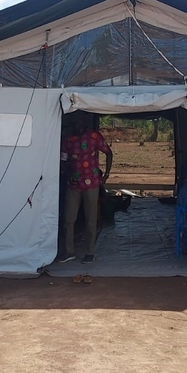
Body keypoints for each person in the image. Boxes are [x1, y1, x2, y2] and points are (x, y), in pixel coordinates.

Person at [58, 114, 112, 265]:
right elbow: (63, 161)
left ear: (86, 123)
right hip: (73, 184)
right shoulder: (68, 140)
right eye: (76, 123)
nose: (78, 126)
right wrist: (68, 174)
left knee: (90, 220)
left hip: (91, 184)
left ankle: (89, 252)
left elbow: (108, 153)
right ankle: (69, 251)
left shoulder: (94, 137)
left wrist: (106, 174)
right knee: (69, 219)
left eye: (81, 122)